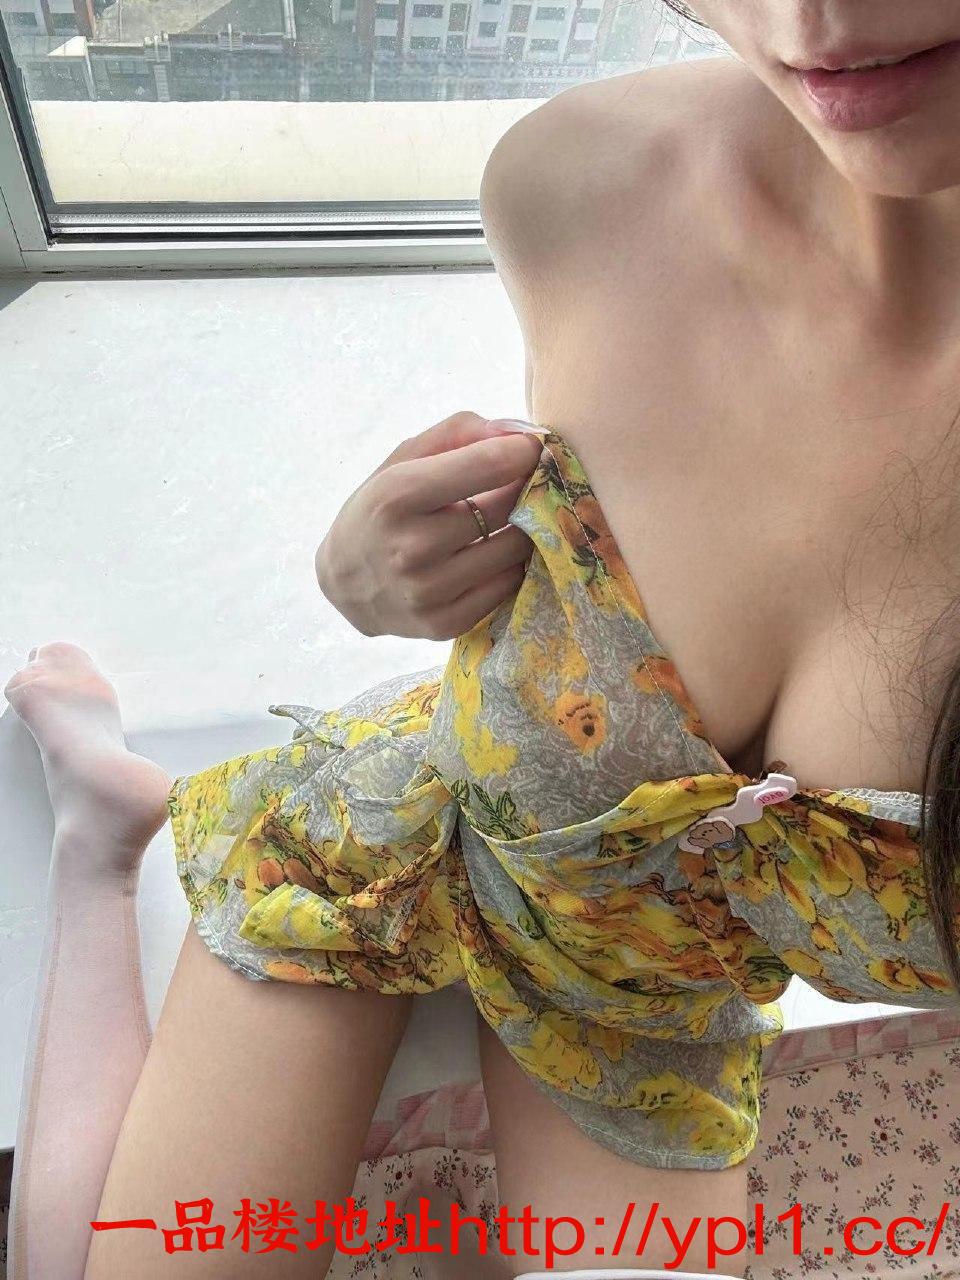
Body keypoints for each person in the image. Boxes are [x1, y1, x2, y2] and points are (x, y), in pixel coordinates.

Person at [8, 3, 960, 1278]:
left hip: (633, 1000)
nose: (816, 20)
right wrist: (368, 576)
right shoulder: (582, 186)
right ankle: (100, 848)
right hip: (405, 836)